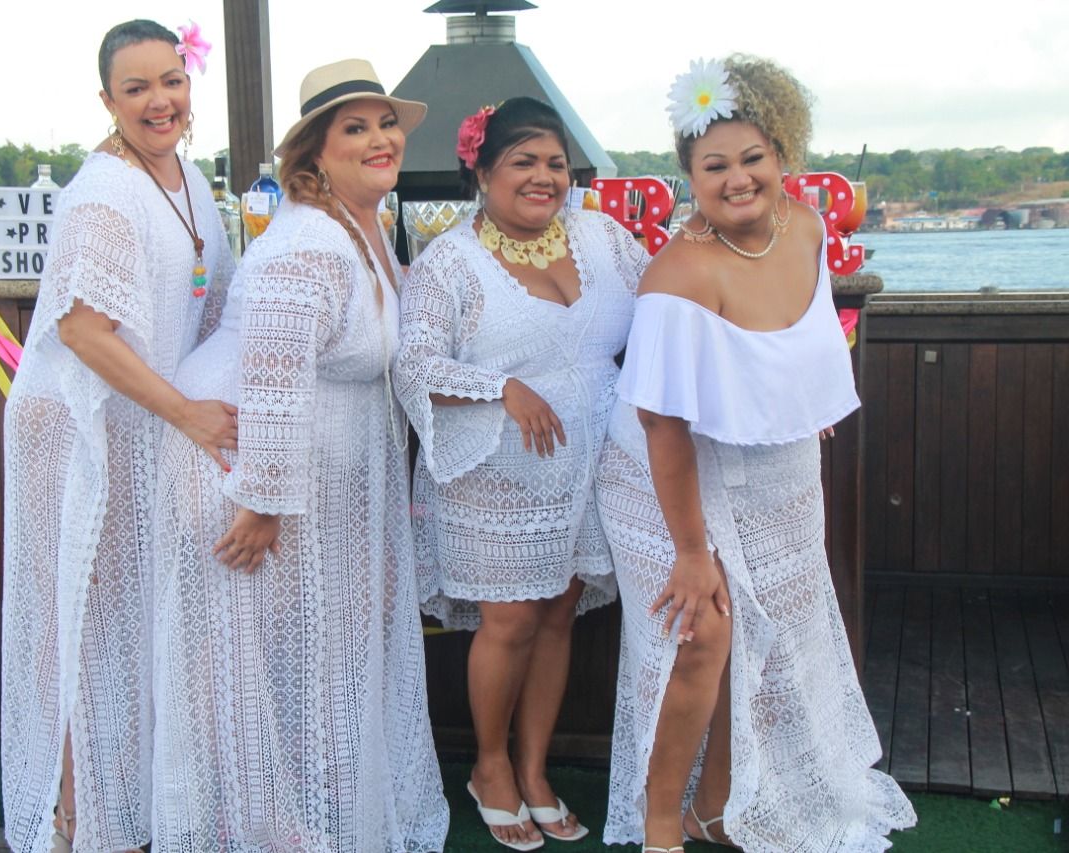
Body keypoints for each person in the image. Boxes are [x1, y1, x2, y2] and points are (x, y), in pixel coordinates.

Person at [596, 56, 917, 852]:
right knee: (701, 637)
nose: (737, 179)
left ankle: (718, 805)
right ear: (687, 179)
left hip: (774, 467)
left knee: (773, 638)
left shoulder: (804, 226)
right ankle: (661, 823)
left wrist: (802, 407)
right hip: (664, 483)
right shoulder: (679, 274)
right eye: (714, 167)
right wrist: (691, 552)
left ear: (782, 156)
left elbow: (806, 338)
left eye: (752, 158)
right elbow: (662, 424)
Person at [149, 59, 450, 851]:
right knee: (245, 649)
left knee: (291, 648)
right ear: (314, 154)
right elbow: (273, 377)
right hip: (246, 466)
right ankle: (250, 825)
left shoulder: (363, 229)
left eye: (386, 123)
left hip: (298, 466)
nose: (381, 138)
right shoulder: (309, 241)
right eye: (356, 127)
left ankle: (293, 816)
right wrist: (263, 504)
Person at [0, 19, 236, 853]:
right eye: (134, 88)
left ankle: (130, 803)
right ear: (107, 100)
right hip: (78, 434)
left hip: (144, 422)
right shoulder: (102, 194)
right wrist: (189, 414)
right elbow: (84, 334)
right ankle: (78, 819)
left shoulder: (189, 177)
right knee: (83, 626)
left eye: (169, 80)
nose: (158, 100)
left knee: (135, 621)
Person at [394, 97, 651, 850]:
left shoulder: (603, 236)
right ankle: (492, 765)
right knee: (509, 619)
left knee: (558, 612)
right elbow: (412, 363)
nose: (544, 178)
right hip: (497, 472)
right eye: (524, 162)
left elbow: (671, 302)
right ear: (481, 171)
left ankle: (536, 769)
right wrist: (499, 386)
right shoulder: (451, 262)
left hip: (592, 464)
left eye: (555, 163)